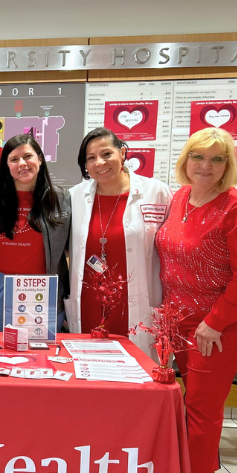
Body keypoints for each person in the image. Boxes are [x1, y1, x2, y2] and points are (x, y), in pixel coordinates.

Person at [156, 128, 237, 473]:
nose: (205, 166)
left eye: (216, 159)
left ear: (228, 165)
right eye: (198, 156)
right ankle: (204, 465)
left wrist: (215, 322)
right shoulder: (181, 197)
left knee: (201, 405)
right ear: (185, 159)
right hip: (180, 316)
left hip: (221, 322)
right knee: (184, 397)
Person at [66, 127, 172, 357]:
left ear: (122, 153)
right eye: (91, 158)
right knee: (90, 372)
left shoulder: (157, 192)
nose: (99, 163)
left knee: (139, 375)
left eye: (106, 154)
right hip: (89, 304)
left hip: (138, 303)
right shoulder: (74, 196)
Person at [0, 134, 70, 332]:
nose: (22, 164)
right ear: (6, 165)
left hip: (43, 289)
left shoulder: (61, 198)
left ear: (40, 159)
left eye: (28, 156)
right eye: (14, 159)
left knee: (41, 355)